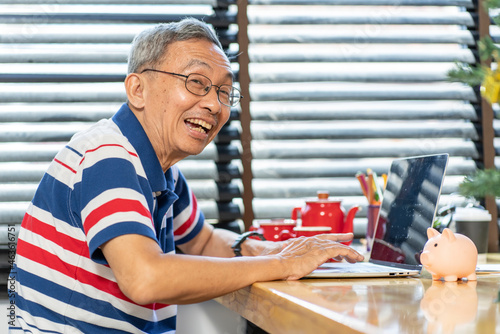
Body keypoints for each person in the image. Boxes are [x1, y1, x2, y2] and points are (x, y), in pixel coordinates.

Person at [9, 18, 364, 333]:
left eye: (224, 91)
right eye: (196, 82)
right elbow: (145, 278)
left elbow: (205, 242)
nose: (214, 104)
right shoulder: (109, 156)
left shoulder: (161, 172)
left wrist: (265, 248)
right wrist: (279, 263)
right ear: (137, 90)